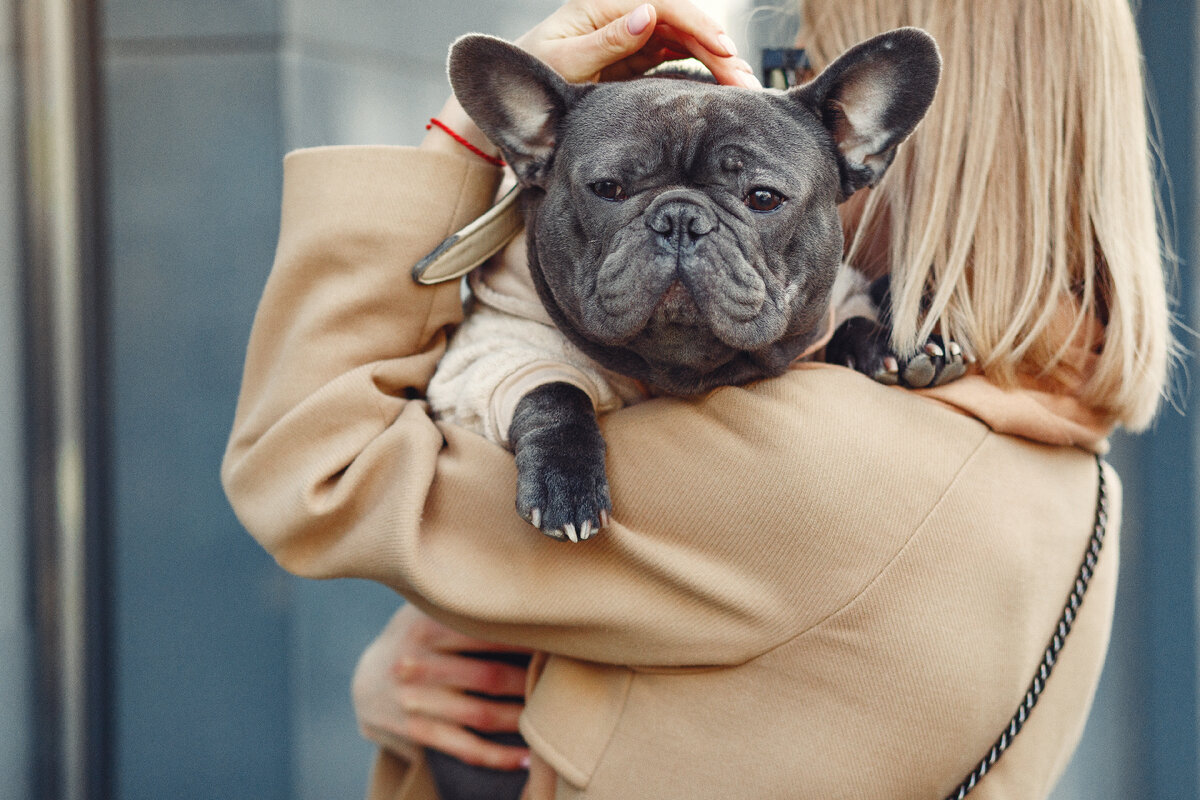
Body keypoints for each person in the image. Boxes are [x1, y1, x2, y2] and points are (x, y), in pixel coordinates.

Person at [221, 0, 1171, 797]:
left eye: (789, 62)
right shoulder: (1043, 458)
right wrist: (459, 646)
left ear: (902, 139)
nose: (748, 84)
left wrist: (454, 144)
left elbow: (319, 470)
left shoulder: (809, 459)